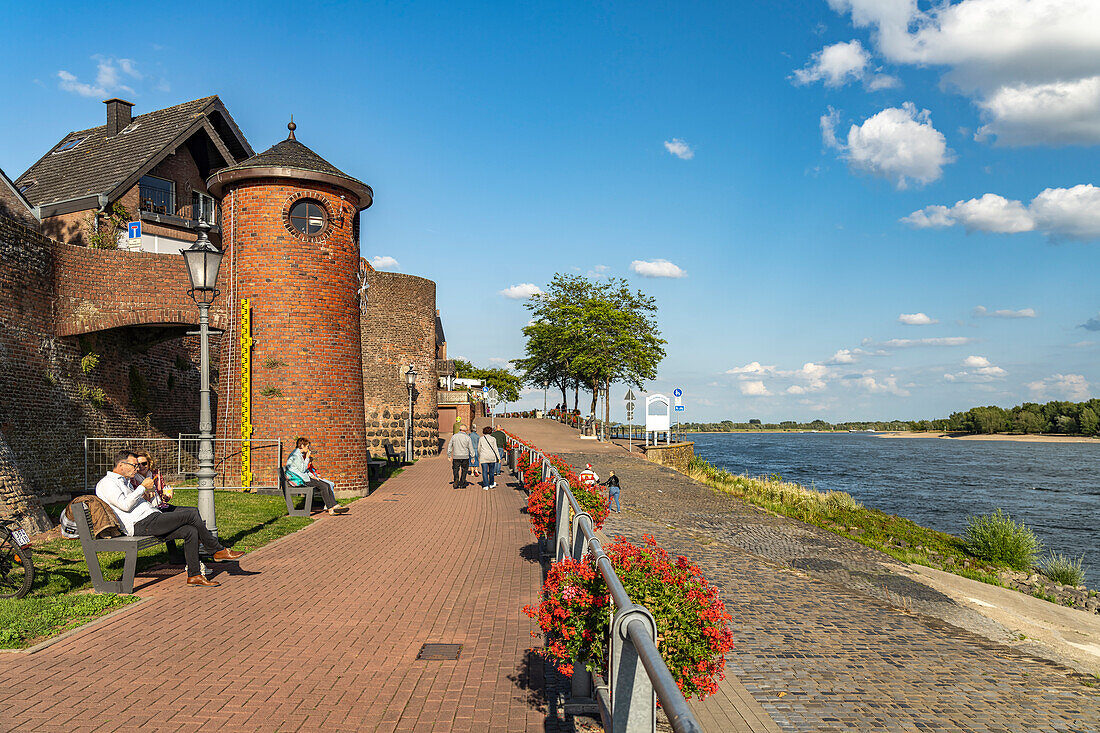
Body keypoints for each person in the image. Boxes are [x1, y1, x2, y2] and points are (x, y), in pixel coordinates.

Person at [96, 450, 243, 587]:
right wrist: (142, 487)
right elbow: (125, 505)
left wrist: (149, 494)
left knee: (190, 531)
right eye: (134, 465)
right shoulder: (107, 483)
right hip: (140, 524)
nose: (136, 468)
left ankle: (195, 575)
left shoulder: (125, 481)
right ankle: (216, 549)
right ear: (121, 465)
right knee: (192, 513)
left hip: (151, 518)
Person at [285, 438, 349, 516]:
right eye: (307, 446)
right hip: (300, 480)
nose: (308, 448)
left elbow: (304, 470)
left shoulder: (299, 454)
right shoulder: (295, 455)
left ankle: (333, 505)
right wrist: (307, 458)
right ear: (302, 446)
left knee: (327, 485)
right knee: (324, 486)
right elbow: (302, 469)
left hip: (305, 478)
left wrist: (312, 475)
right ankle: (330, 508)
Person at [447, 424, 473, 488]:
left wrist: (449, 455)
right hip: (465, 456)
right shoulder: (467, 437)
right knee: (464, 470)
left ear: (459, 429)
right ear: (466, 430)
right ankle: (462, 482)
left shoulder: (454, 436)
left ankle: (456, 480)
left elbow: (450, 445)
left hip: (456, 456)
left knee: (455, 469)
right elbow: (471, 448)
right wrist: (472, 456)